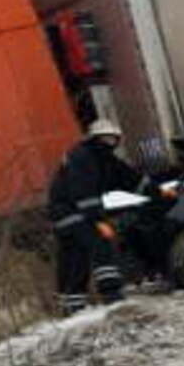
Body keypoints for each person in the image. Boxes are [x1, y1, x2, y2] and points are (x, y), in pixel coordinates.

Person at [48, 119, 141, 315]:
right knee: (100, 242)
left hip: (69, 214)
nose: (111, 142)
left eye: (113, 139)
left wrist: (158, 191)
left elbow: (130, 178)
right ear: (95, 139)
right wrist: (99, 221)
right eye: (106, 138)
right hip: (70, 213)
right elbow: (84, 195)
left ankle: (72, 307)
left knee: (76, 259)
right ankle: (112, 296)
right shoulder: (83, 156)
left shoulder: (103, 159)